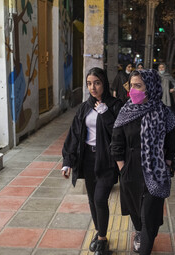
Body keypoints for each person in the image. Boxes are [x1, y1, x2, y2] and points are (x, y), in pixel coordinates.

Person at [110, 69, 175, 254]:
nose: (133, 90)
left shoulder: (164, 113)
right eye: (131, 86)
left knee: (149, 215)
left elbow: (171, 145)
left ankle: (145, 243)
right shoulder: (126, 111)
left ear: (151, 88)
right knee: (136, 212)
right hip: (131, 171)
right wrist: (123, 169)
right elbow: (116, 143)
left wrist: (168, 165)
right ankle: (140, 232)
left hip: (155, 172)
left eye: (138, 86)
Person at [61, 67, 123, 255]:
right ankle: (100, 232)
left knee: (99, 199)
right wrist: (67, 161)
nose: (93, 87)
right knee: (92, 200)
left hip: (106, 160)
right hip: (88, 159)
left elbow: (120, 135)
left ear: (103, 83)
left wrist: (106, 115)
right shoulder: (85, 107)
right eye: (89, 83)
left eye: (96, 83)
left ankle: (102, 240)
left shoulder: (115, 105)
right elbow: (74, 134)